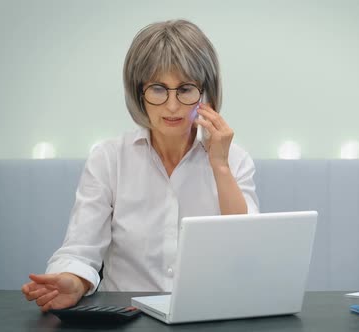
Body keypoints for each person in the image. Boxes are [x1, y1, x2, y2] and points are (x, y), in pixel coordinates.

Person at [21, 19, 260, 312]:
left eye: (185, 89)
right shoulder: (109, 158)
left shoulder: (235, 158)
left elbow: (248, 254)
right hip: (127, 316)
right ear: (139, 93)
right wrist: (75, 280)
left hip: (210, 314)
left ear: (206, 93)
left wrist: (220, 167)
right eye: (158, 89)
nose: (172, 106)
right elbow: (80, 249)